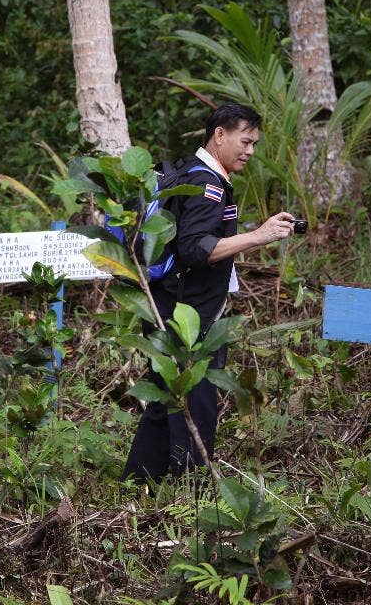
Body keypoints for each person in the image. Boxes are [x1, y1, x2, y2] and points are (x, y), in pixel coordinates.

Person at [122, 102, 295, 482]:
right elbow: (195, 249)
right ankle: (195, 492)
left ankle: (137, 483)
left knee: (164, 398)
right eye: (245, 141)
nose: (250, 151)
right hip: (188, 315)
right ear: (220, 135)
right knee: (195, 402)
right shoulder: (208, 185)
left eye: (254, 144)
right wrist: (258, 236)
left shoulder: (190, 171)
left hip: (165, 304)